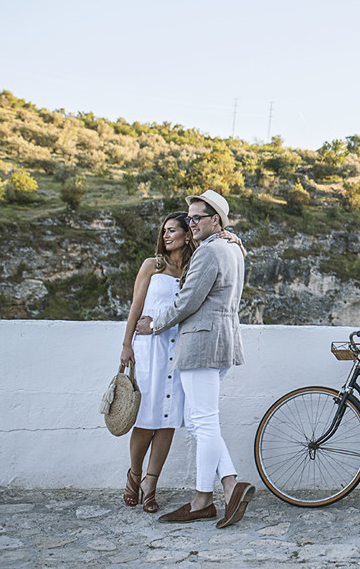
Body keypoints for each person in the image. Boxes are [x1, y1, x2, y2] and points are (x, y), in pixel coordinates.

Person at [136, 190, 254, 528]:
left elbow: (187, 301)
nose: (190, 223)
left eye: (197, 217)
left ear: (215, 220)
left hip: (201, 344)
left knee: (203, 421)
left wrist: (154, 325)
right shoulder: (233, 248)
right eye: (188, 218)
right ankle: (230, 484)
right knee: (195, 419)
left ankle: (203, 500)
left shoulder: (208, 252)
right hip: (223, 341)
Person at [119, 212, 196, 513]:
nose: (166, 235)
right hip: (150, 348)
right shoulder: (152, 265)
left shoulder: (193, 268)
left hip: (179, 350)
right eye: (164, 231)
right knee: (146, 418)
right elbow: (136, 306)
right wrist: (126, 344)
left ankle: (150, 484)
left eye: (172, 230)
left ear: (187, 235)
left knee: (168, 419)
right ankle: (134, 475)